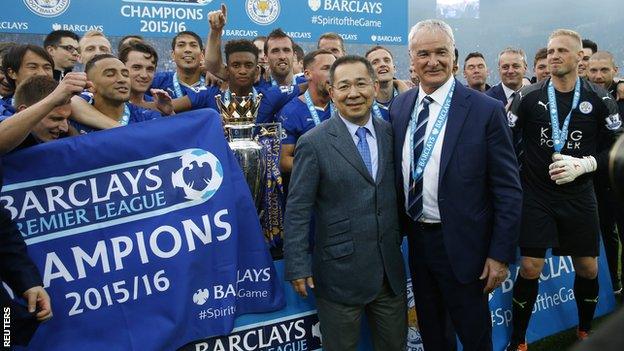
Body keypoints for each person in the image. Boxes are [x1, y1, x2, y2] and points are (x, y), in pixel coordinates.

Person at [391, 19, 522, 351]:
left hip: (467, 248)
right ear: (411, 59)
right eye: (424, 53)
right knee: (433, 335)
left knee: (475, 336)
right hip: (418, 243)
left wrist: (500, 254)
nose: (432, 61)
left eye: (441, 52)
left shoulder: (486, 111)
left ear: (454, 56)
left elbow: (508, 189)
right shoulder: (399, 107)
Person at [506, 29, 622, 351]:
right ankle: (518, 339)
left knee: (588, 267)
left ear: (578, 58)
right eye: (551, 50)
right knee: (530, 267)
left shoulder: (601, 99)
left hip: (580, 194)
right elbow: (506, 140)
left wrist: (586, 164)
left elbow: (616, 148)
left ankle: (585, 329)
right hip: (537, 195)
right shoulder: (527, 96)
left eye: (562, 51)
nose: (554, 55)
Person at [284, 55, 406, 351]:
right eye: (344, 86)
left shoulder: (392, 134)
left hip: (388, 274)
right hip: (339, 274)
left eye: (361, 83)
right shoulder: (313, 143)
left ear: (375, 87)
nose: (354, 93)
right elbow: (298, 209)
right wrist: (298, 265)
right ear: (332, 91)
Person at [586, 51, 624, 295]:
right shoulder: (581, 98)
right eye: (593, 71)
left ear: (615, 71)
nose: (598, 76)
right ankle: (613, 285)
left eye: (604, 70)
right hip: (596, 180)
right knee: (604, 234)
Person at [72, 54, 170, 134]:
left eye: (125, 75)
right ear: (90, 86)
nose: (122, 79)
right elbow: (72, 102)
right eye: (110, 74)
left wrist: (170, 114)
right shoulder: (73, 121)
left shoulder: (148, 118)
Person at [279, 49, 335, 174]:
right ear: (307, 74)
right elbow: (284, 160)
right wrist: (319, 167)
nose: (333, 74)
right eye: (326, 68)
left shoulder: (342, 105)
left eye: (334, 69)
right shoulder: (291, 112)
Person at [0, 74, 85, 152]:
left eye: (67, 119)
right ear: (24, 111)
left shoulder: (67, 135)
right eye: (56, 119)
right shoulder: (5, 122)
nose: (65, 128)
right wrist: (52, 99)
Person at [150, 31, 206, 98]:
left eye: (193, 45)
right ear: (173, 55)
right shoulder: (157, 81)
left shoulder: (213, 83)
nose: (187, 50)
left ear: (202, 55)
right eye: (181, 45)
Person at [365, 45, 408, 121]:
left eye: (387, 60)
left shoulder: (411, 100)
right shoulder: (362, 105)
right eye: (375, 62)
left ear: (394, 69)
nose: (382, 64)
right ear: (367, 72)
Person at [118, 41, 159, 107]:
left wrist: (170, 113)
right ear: (121, 68)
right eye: (136, 67)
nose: (144, 75)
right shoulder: (108, 104)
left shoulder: (159, 105)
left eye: (150, 69)